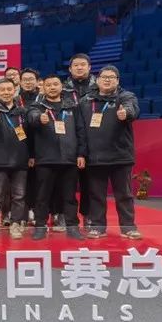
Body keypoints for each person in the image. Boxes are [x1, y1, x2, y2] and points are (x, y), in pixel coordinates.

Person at [80, 66, 142, 239]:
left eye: (111, 77)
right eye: (104, 77)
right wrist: (82, 153)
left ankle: (128, 228)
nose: (107, 80)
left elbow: (132, 109)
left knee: (124, 195)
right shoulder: (86, 101)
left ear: (117, 80)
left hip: (120, 157)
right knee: (96, 195)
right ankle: (98, 227)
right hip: (95, 157)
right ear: (97, 80)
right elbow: (80, 130)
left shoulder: (125, 97)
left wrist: (126, 113)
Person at [27, 75, 86, 240]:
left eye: (55, 84)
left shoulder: (72, 106)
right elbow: (31, 118)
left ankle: (72, 227)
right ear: (43, 88)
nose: (52, 87)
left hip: (69, 159)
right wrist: (39, 118)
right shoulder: (37, 106)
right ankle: (40, 226)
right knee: (42, 196)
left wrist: (81, 153)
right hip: (45, 159)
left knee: (70, 197)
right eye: (48, 85)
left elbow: (80, 131)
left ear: (61, 86)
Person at [0, 78, 31, 240]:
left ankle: (15, 223)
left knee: (19, 195)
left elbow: (30, 136)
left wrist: (31, 155)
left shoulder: (22, 111)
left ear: (15, 90)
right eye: (2, 89)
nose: (6, 92)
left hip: (20, 160)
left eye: (9, 89)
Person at [63, 53, 96, 227]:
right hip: (68, 142)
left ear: (89, 67)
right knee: (67, 183)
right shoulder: (62, 89)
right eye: (76, 65)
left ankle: (88, 214)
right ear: (70, 69)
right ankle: (66, 216)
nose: (79, 67)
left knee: (89, 183)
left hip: (93, 141)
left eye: (83, 64)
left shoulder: (99, 87)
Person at [18, 68, 41, 225]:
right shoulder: (15, 99)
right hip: (20, 145)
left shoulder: (43, 98)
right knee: (22, 183)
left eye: (31, 79)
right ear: (20, 82)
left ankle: (38, 212)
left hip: (41, 146)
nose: (28, 82)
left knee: (39, 182)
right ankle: (23, 214)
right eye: (25, 79)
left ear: (37, 81)